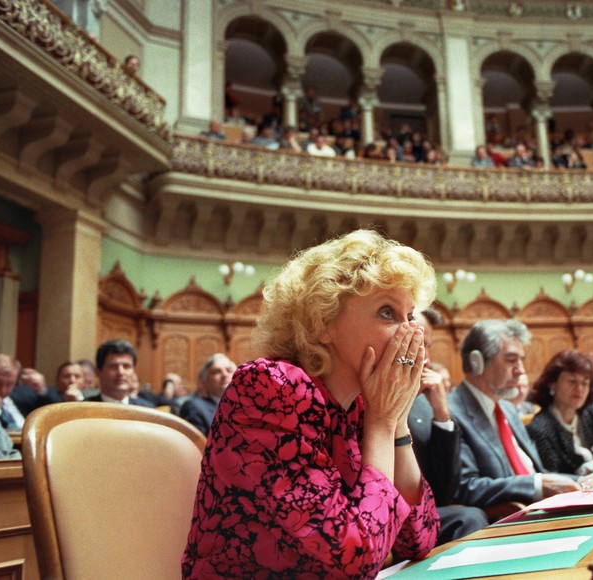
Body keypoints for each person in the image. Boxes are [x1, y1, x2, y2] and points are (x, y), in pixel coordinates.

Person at [183, 230, 439, 577]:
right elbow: (358, 558)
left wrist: (396, 423)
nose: (412, 333)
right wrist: (382, 422)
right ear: (323, 323)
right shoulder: (271, 389)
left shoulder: (362, 406)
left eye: (410, 316)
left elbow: (418, 539)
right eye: (387, 312)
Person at [448, 320, 593, 511]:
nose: (520, 370)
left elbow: (537, 473)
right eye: (511, 360)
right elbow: (466, 488)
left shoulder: (508, 409)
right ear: (476, 362)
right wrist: (535, 486)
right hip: (507, 521)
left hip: (542, 508)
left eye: (521, 360)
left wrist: (582, 480)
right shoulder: (452, 412)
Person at [409, 308, 488, 545]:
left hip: (422, 517)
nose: (428, 360)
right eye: (419, 344)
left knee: (469, 517)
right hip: (380, 520)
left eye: (428, 347)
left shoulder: (424, 402)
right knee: (469, 518)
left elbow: (446, 492)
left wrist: (442, 413)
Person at [526, 350, 593, 477]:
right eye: (572, 381)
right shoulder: (540, 428)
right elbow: (552, 477)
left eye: (585, 383)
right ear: (552, 383)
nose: (579, 389)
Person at [0, 354, 53, 430]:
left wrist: (41, 391)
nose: (3, 390)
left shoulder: (23, 395)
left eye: (9, 384)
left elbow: (51, 416)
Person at [179, 354, 237, 436]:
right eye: (216, 372)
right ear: (204, 382)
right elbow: (197, 445)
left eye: (229, 370)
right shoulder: (194, 407)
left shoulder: (248, 405)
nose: (225, 375)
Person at [85, 339, 155, 407]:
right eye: (113, 366)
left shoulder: (147, 410)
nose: (121, 372)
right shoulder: (82, 409)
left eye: (126, 366)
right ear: (98, 372)